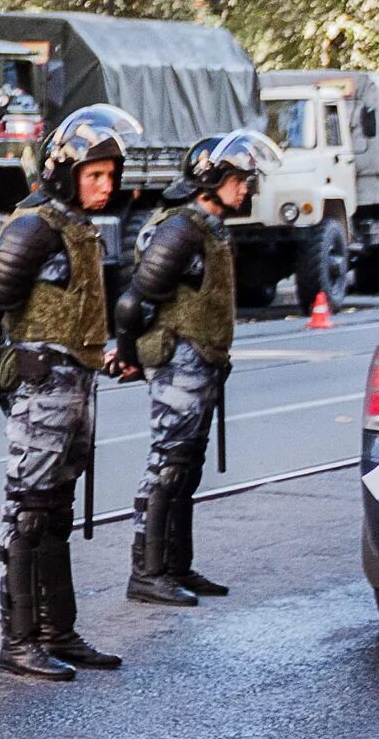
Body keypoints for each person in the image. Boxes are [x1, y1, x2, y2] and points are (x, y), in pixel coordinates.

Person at [0, 104, 143, 680]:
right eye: (95, 176)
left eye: (111, 176)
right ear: (65, 173)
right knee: (29, 511)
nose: (106, 186)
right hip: (40, 384)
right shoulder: (34, 227)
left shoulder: (77, 226)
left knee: (57, 509)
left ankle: (59, 631)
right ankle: (19, 641)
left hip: (75, 382)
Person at [113, 130, 281, 606]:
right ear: (210, 178)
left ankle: (176, 566)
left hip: (202, 361)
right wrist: (125, 351)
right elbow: (134, 301)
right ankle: (147, 573)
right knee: (167, 464)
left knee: (186, 465)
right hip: (179, 361)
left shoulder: (209, 228)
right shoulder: (182, 229)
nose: (247, 188)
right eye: (239, 178)